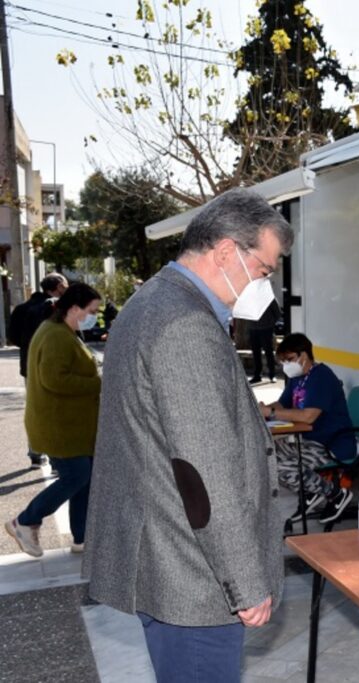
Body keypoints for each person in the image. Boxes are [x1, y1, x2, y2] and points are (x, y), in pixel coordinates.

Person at [83, 189, 292, 682]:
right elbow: (204, 471)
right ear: (226, 253)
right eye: (264, 269)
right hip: (194, 579)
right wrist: (245, 582)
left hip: (163, 561)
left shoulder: (149, 302)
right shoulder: (186, 325)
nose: (265, 283)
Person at [5, 283, 101, 557]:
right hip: (61, 427)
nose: (93, 316)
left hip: (69, 426)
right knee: (78, 476)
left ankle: (82, 538)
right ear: (74, 308)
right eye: (91, 310)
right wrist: (98, 383)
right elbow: (55, 379)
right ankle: (25, 521)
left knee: (85, 477)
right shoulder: (56, 335)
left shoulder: (59, 331)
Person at [259, 333, 356, 525]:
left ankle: (335, 494)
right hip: (308, 440)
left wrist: (270, 412)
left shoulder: (322, 377)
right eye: (283, 361)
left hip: (330, 444)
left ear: (304, 356)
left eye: (289, 359)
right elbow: (281, 404)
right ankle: (312, 490)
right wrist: (260, 410)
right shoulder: (298, 378)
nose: (286, 365)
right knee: (264, 456)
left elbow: (308, 416)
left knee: (280, 467)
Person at [8, 272, 68, 469]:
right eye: (65, 285)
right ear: (58, 286)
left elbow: (13, 336)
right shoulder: (55, 307)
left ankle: (35, 453)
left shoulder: (22, 308)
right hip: (54, 365)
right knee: (56, 410)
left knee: (35, 408)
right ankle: (55, 456)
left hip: (28, 365)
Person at [248, 297, 281, 383]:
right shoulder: (250, 296)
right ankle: (257, 375)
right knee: (255, 353)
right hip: (253, 328)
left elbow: (277, 313)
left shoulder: (269, 296)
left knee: (268, 352)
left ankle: (272, 374)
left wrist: (270, 323)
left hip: (266, 328)